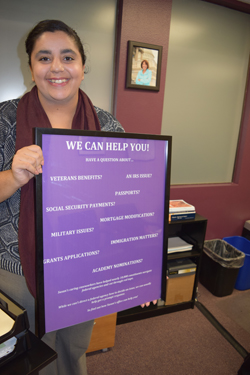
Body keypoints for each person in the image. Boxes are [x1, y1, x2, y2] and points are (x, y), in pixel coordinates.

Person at [0, 19, 124, 375]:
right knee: (22, 356)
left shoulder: (107, 125)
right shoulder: (4, 119)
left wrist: (135, 267)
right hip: (17, 268)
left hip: (83, 265)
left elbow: (124, 199)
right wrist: (13, 176)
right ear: (31, 67)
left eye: (68, 57)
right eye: (44, 57)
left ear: (83, 68)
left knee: (72, 349)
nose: (57, 67)